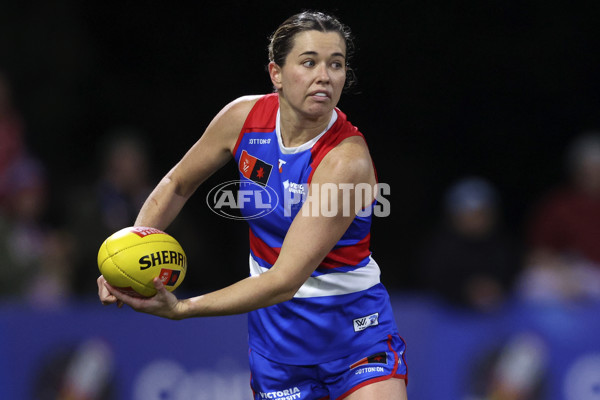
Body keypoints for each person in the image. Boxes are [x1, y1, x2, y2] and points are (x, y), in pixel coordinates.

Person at [97, 11, 408, 400]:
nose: (324, 76)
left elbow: (284, 280)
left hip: (356, 337)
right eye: (309, 62)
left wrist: (182, 309)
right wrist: (131, 252)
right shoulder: (243, 118)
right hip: (277, 344)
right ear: (276, 73)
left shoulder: (346, 161)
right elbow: (177, 183)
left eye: (336, 64)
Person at [518, 131, 600, 302]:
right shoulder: (558, 205)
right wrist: (564, 272)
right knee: (533, 282)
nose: (594, 175)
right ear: (577, 171)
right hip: (574, 272)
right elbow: (537, 252)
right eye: (589, 168)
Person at [419, 177, 520, 311]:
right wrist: (465, 291)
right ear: (453, 216)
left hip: (499, 314)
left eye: (481, 214)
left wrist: (496, 287)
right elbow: (430, 281)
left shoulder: (505, 245)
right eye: (467, 214)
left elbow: (514, 275)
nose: (475, 221)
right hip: (449, 314)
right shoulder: (439, 247)